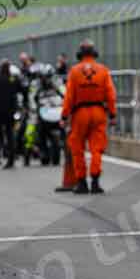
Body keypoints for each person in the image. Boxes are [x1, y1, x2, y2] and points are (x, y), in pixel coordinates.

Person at [60, 40, 117, 194]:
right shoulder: (103, 70)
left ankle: (81, 183)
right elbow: (110, 94)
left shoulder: (75, 71)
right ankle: (95, 182)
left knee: (77, 148)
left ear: (80, 54)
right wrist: (112, 114)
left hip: (80, 114)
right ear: (94, 53)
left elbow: (69, 96)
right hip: (98, 112)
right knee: (96, 148)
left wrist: (64, 116)